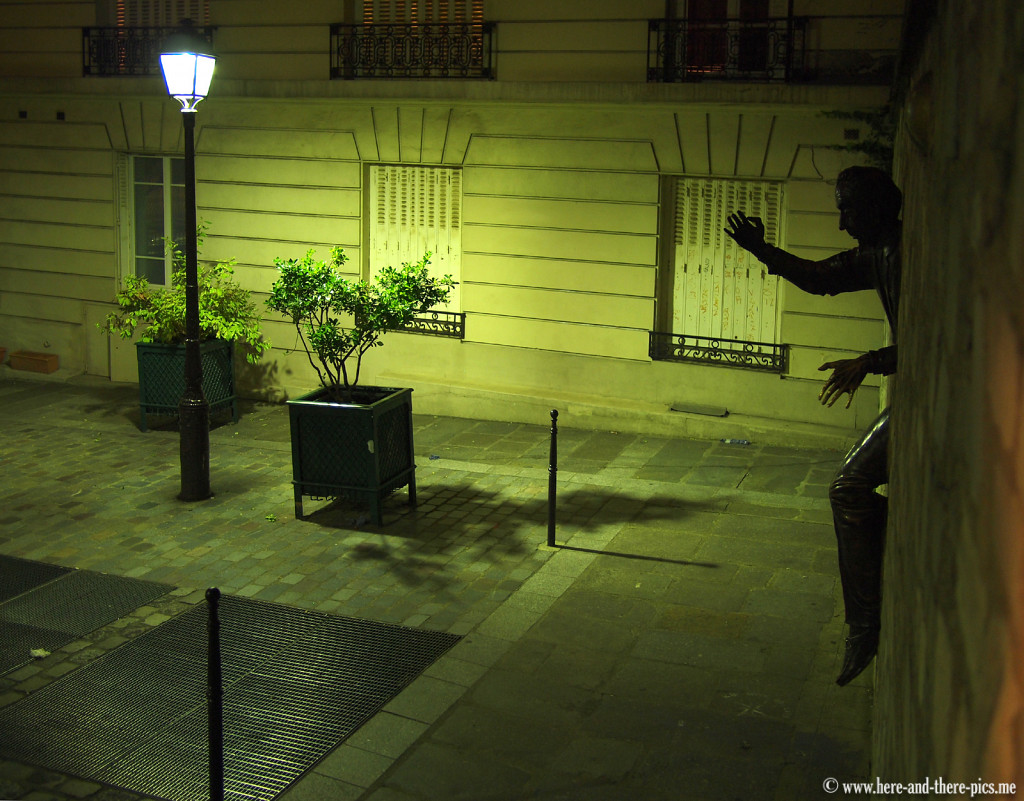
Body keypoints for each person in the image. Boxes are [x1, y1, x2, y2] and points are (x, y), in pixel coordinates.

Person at [724, 166, 901, 686]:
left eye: (848, 210)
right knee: (849, 487)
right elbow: (821, 278)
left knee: (847, 487)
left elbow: (940, 340)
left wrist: (870, 361)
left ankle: (865, 625)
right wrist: (761, 249)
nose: (843, 224)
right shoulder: (879, 252)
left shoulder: (905, 253)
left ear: (875, 207)